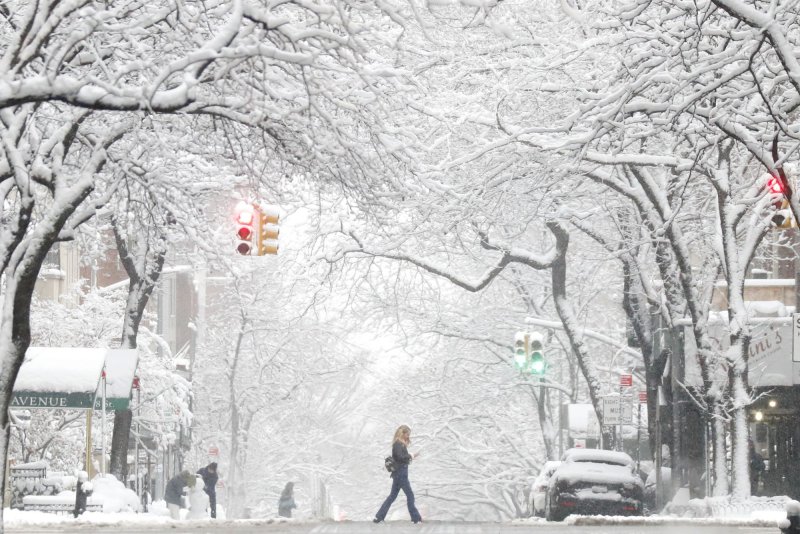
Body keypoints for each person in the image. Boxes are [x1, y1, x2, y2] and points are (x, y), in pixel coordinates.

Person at [373, 425, 422, 524]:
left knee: (392, 496)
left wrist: (410, 456)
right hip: (401, 474)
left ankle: (379, 517)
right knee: (410, 495)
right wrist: (411, 455)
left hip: (399, 474)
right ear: (402, 433)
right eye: (407, 434)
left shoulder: (399, 444)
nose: (408, 436)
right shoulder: (398, 444)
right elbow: (400, 457)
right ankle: (416, 519)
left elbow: (401, 457)